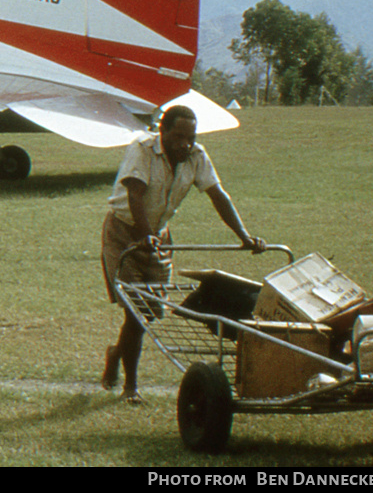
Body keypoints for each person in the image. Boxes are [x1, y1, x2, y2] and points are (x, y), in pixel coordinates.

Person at [100, 104, 265, 403]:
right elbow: (134, 194)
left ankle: (115, 353)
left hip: (158, 236)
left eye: (190, 137)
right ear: (162, 131)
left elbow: (218, 196)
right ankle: (131, 388)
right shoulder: (143, 148)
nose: (184, 144)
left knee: (149, 312)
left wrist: (245, 237)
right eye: (178, 136)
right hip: (124, 233)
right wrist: (144, 235)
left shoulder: (196, 156)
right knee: (136, 310)